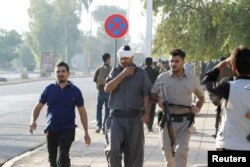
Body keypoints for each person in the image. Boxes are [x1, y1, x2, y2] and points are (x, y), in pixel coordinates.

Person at [28, 62, 91, 167]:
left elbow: (82, 112)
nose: (60, 73)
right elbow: (38, 107)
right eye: (58, 71)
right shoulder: (49, 89)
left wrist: (86, 132)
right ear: (55, 74)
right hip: (51, 130)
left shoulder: (75, 91)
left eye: (63, 71)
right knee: (53, 161)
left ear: (68, 74)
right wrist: (33, 121)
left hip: (68, 129)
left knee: (62, 158)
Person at [151, 48, 205, 167]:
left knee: (181, 152)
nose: (173, 64)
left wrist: (197, 107)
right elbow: (152, 94)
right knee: (168, 157)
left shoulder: (192, 79)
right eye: (171, 61)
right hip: (166, 122)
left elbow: (201, 97)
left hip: (185, 123)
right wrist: (158, 100)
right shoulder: (162, 78)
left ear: (183, 61)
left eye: (176, 61)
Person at [104, 45, 152, 167]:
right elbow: (107, 88)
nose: (124, 61)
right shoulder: (114, 71)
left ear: (132, 58)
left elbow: (147, 95)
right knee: (113, 150)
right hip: (116, 118)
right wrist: (123, 75)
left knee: (134, 156)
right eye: (121, 58)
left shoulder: (142, 74)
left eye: (126, 58)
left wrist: (147, 113)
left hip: (135, 119)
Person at [202, 46, 250, 150]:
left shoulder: (228, 86)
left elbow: (206, 81)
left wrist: (223, 63)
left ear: (233, 68)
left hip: (228, 144)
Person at [93, 53, 112, 134]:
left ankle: (98, 125)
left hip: (100, 92)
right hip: (108, 93)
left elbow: (94, 79)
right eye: (110, 59)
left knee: (99, 108)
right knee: (108, 110)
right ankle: (105, 127)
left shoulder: (99, 69)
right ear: (108, 59)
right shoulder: (112, 69)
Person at [144, 57, 159, 132]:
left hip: (143, 94)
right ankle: (150, 126)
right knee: (152, 110)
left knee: (142, 109)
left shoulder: (142, 72)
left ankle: (143, 123)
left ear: (145, 63)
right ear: (152, 63)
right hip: (153, 94)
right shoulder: (156, 72)